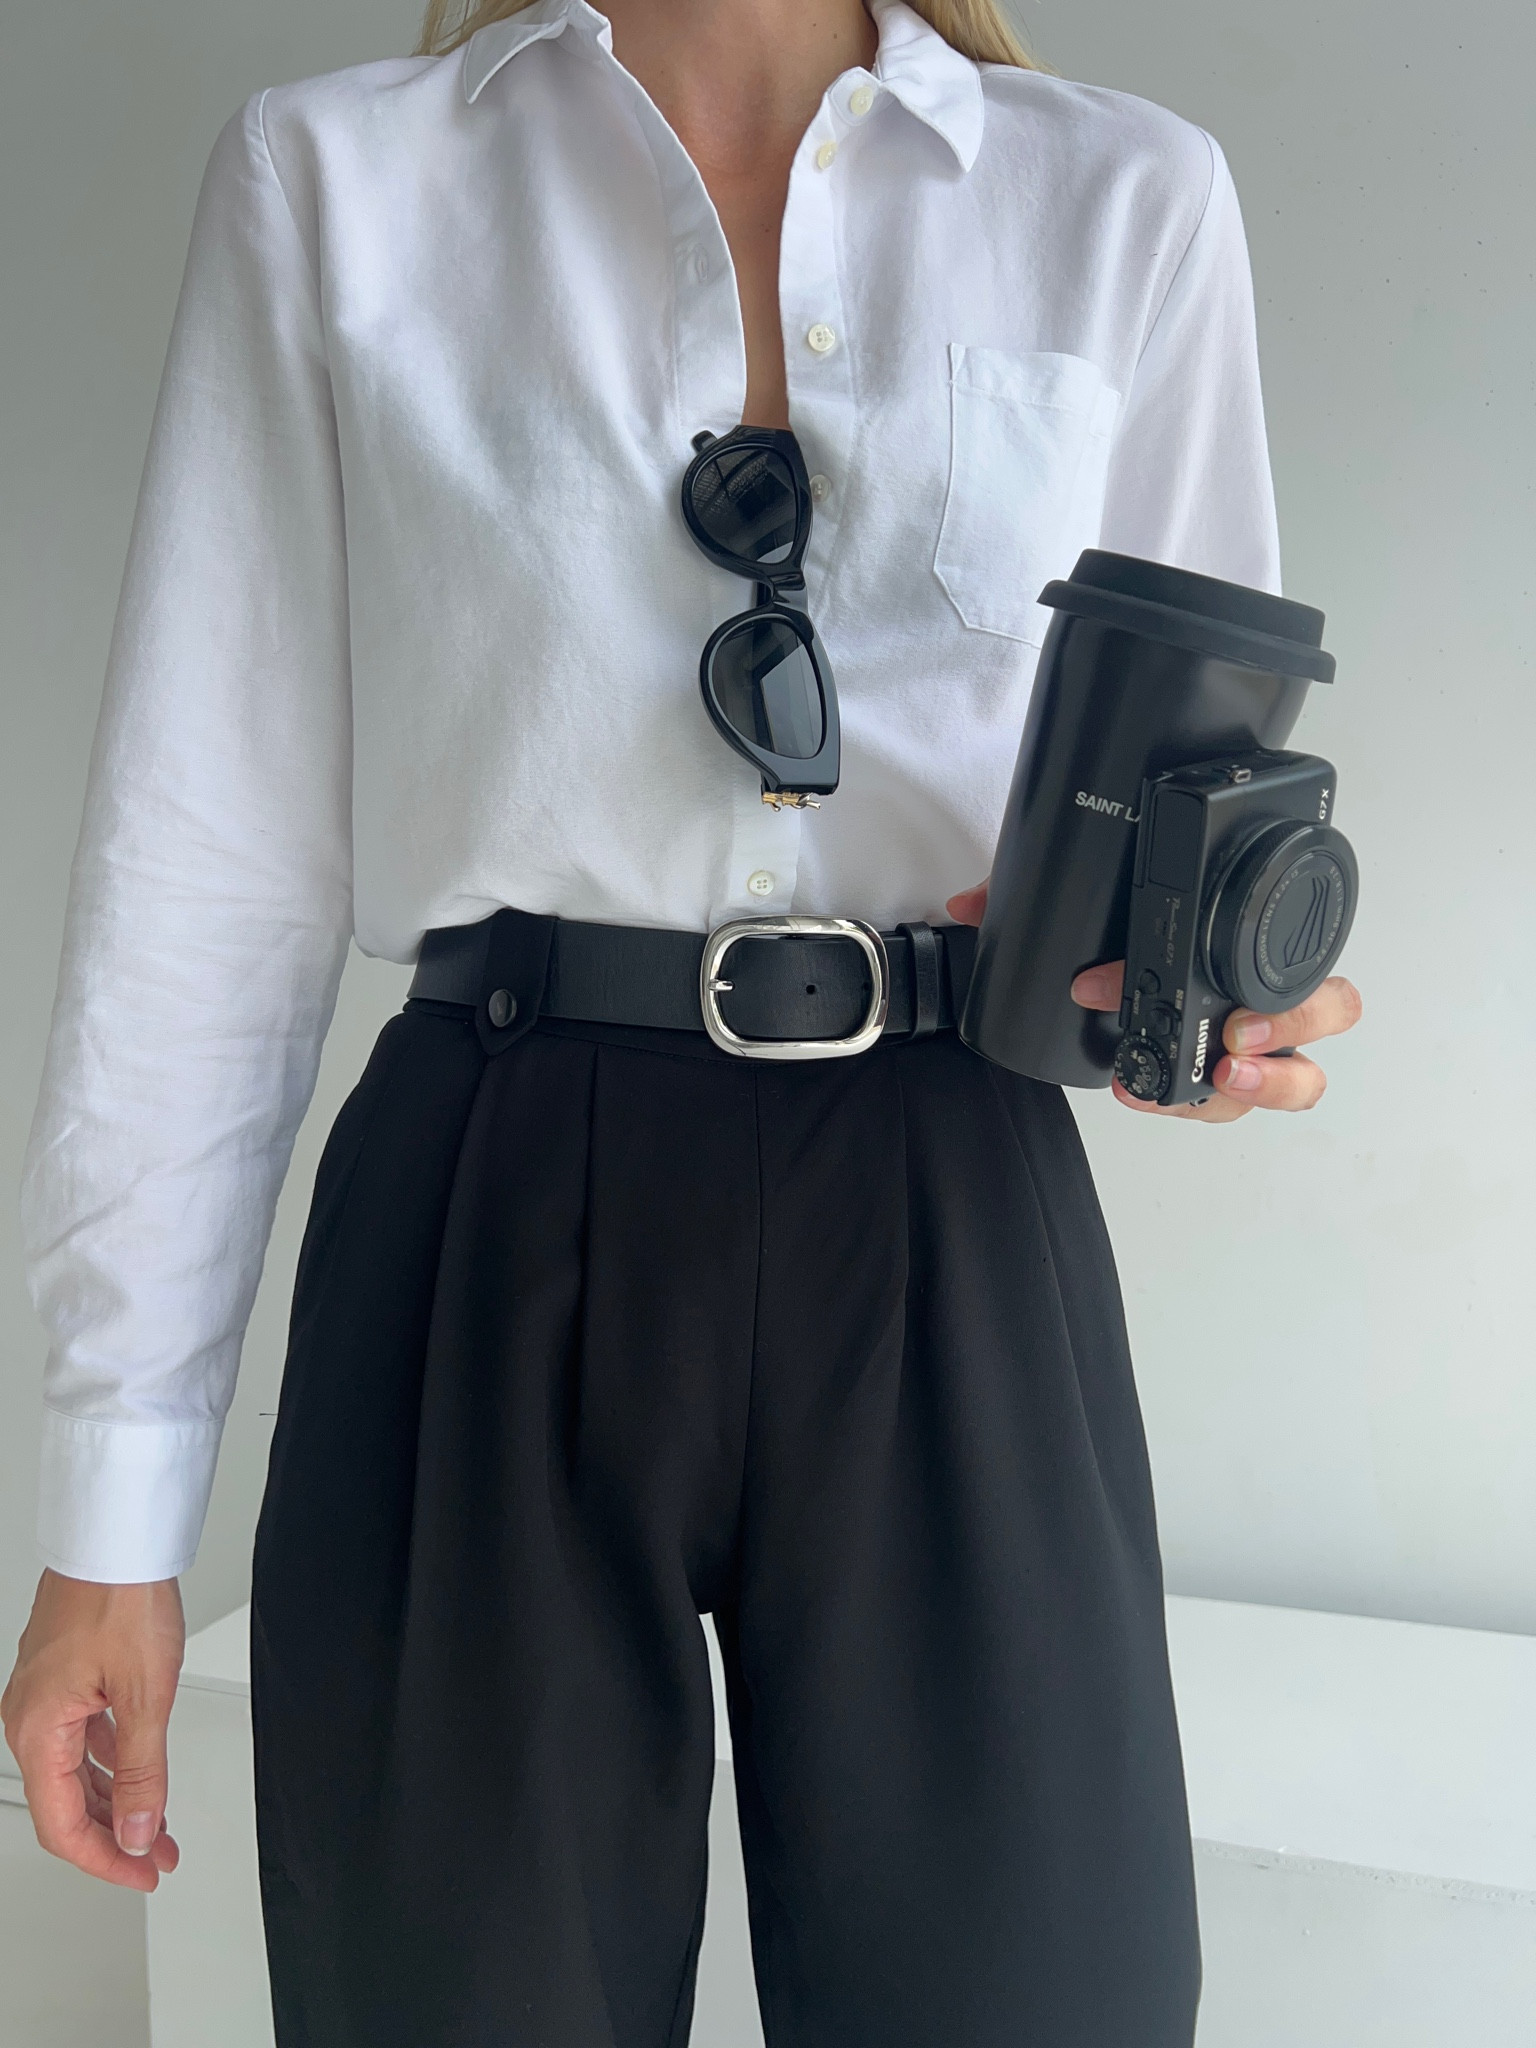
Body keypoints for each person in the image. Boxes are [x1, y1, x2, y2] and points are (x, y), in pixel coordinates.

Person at [2, 0, 1362, 2041]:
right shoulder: (336, 181)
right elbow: (208, 865)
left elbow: (1178, 774)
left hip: (946, 1191)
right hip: (491, 1181)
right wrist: (110, 1526)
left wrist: (1192, 997)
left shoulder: (1121, 196)